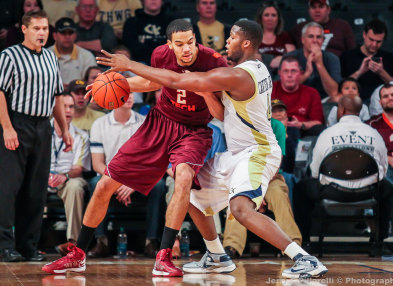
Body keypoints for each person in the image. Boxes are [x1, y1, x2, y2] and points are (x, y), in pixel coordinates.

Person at [95, 19, 328, 279]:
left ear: (246, 42)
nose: (226, 41)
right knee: (189, 191)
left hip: (257, 151)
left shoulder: (238, 74)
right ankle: (217, 255)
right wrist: (204, 92)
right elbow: (218, 112)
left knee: (240, 209)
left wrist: (128, 66)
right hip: (238, 153)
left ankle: (304, 258)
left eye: (232, 37)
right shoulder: (254, 68)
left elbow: (173, 78)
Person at [42, 19, 228, 275]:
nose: (186, 49)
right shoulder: (161, 55)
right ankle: (78, 253)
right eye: (180, 44)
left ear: (196, 40)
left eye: (191, 43)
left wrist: (204, 87)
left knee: (183, 175)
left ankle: (164, 257)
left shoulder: (214, 62)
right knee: (106, 183)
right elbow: (154, 83)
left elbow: (220, 113)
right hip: (160, 122)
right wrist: (109, 86)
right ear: (169, 45)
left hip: (194, 131)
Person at [0, 10, 72, 262]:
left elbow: (57, 97)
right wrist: (7, 127)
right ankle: (4, 246)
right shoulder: (9, 56)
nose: (41, 32)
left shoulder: (51, 58)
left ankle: (28, 246)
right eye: (36, 28)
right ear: (24, 29)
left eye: (44, 28)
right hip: (17, 123)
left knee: (36, 189)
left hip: (44, 126)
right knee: (8, 189)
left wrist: (64, 129)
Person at [294, 95, 393, 257]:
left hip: (332, 191)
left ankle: (306, 242)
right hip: (368, 191)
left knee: (300, 188)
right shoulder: (374, 134)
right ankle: (378, 242)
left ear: (341, 110)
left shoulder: (327, 134)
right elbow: (382, 170)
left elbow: (315, 172)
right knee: (386, 188)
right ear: (361, 111)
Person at [88, 93, 167, 258]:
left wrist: (133, 183)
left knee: (158, 185)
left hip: (138, 178)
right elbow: (97, 164)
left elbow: (150, 161)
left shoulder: (145, 122)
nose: (130, 97)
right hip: (110, 176)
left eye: (132, 93)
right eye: (124, 93)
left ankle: (151, 241)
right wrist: (117, 182)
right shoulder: (99, 124)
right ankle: (101, 241)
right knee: (95, 182)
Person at [223, 117, 302, 258]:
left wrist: (260, 190)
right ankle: (231, 246)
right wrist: (255, 191)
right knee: (237, 197)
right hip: (245, 176)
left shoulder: (277, 126)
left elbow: (277, 163)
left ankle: (292, 244)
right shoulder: (238, 124)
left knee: (278, 194)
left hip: (271, 176)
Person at [49, 93, 91, 256]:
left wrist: (64, 176)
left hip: (67, 179)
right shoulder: (43, 130)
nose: (67, 110)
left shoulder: (81, 135)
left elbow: (78, 168)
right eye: (63, 106)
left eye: (71, 107)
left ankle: (73, 243)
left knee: (75, 185)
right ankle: (28, 243)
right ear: (54, 108)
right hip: (42, 177)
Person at [341, 19, 393, 102]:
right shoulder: (347, 56)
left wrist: (381, 72)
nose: (374, 44)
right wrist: (359, 72)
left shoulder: (389, 58)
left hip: (383, 103)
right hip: (355, 103)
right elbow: (340, 87)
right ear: (364, 35)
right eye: (371, 39)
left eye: (378, 41)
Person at [285, 22, 341, 100]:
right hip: (297, 98)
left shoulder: (332, 58)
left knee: (338, 98)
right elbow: (286, 87)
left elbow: (333, 92)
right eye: (311, 36)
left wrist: (319, 65)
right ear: (303, 39)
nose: (315, 40)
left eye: (318, 37)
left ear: (323, 40)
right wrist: (307, 73)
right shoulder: (290, 58)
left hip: (323, 99)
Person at [272, 55, 324, 136]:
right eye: (285, 71)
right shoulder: (269, 89)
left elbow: (318, 122)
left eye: (293, 71)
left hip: (301, 130)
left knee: (320, 129)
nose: (289, 75)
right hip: (273, 129)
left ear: (300, 73)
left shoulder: (312, 93)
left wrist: (301, 124)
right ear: (279, 73)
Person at [289, 0, 355, 57]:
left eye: (321, 7)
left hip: (337, 66)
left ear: (328, 10)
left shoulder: (342, 26)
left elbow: (352, 52)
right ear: (309, 11)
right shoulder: (299, 28)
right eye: (313, 7)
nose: (317, 11)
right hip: (308, 66)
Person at [122, 0, 174, 65]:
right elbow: (131, 46)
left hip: (168, 62)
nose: (153, 0)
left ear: (162, 1)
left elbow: (175, 46)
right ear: (142, 1)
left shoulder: (172, 22)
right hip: (140, 64)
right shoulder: (131, 22)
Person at [48, 17, 96, 87]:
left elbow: (92, 82)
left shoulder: (87, 56)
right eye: (63, 33)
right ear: (54, 36)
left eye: (70, 33)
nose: (67, 36)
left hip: (80, 94)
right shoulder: (45, 55)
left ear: (75, 35)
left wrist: (75, 86)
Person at [368, 84, 393, 185]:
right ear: (380, 102)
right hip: (384, 169)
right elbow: (365, 150)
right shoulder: (371, 124)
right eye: (385, 96)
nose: (390, 98)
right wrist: (387, 159)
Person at [256, 2, 295, 71]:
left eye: (273, 15)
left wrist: (282, 59)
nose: (270, 18)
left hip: (281, 72)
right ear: (261, 18)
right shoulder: (254, 37)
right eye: (266, 15)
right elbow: (250, 57)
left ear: (278, 19)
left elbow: (292, 56)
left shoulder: (285, 36)